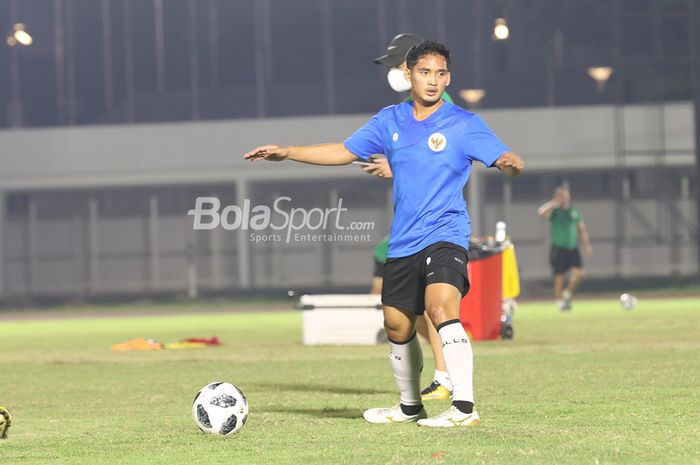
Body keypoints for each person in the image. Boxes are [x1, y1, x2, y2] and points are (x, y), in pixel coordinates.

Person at [245, 41, 523, 427]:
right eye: (425, 72)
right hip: (404, 240)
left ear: (449, 78)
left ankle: (464, 408)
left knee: (441, 307)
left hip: (446, 233)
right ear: (407, 75)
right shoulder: (389, 121)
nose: (433, 80)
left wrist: (509, 164)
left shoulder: (464, 123)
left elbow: (503, 160)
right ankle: (410, 407)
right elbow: (343, 150)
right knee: (396, 324)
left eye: (441, 73)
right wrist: (288, 151)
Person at [363, 33, 455, 402]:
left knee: (435, 307)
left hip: (434, 222)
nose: (393, 71)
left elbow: (437, 154)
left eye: (395, 64)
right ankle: (434, 379)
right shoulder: (405, 109)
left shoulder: (437, 102)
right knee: (415, 311)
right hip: (414, 220)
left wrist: (395, 166)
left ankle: (447, 377)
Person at [537, 185, 592, 310]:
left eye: (564, 195)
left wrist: (586, 245)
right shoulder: (555, 212)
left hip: (572, 248)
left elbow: (581, 229)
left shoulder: (574, 211)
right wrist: (553, 203)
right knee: (559, 277)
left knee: (578, 273)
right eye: (559, 195)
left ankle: (567, 293)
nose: (562, 198)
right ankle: (559, 302)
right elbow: (541, 213)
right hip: (558, 248)